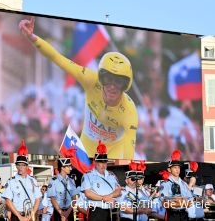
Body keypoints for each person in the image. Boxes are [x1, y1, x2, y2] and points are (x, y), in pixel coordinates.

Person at [19, 17, 138, 159]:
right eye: (108, 79)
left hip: (110, 159)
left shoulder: (129, 112)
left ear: (126, 85)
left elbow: (129, 153)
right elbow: (58, 59)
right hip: (83, 154)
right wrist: (32, 37)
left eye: (118, 82)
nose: (112, 86)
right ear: (101, 78)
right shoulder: (91, 79)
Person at [1, 140, 41, 221]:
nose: (20, 167)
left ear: (27, 166)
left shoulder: (33, 181)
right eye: (18, 165)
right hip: (17, 215)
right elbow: (8, 200)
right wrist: (19, 216)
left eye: (23, 165)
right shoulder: (11, 181)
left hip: (31, 215)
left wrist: (32, 214)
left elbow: (37, 199)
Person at [81, 141, 121, 221]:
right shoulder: (88, 175)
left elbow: (118, 190)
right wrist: (103, 198)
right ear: (95, 162)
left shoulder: (111, 175)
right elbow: (88, 193)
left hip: (111, 211)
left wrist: (110, 196)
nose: (103, 165)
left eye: (105, 162)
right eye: (100, 162)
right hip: (96, 211)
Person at [159, 150, 192, 221]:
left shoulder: (184, 184)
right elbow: (165, 204)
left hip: (184, 215)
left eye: (178, 167)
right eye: (174, 167)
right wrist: (182, 202)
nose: (177, 170)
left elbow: (190, 203)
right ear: (169, 169)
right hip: (172, 215)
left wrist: (176, 201)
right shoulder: (165, 184)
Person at [47, 155, 77, 221]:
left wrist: (68, 212)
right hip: (58, 213)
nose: (70, 168)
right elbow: (52, 199)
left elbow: (74, 198)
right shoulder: (53, 181)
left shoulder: (71, 180)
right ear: (62, 168)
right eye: (68, 166)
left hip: (69, 212)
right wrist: (61, 212)